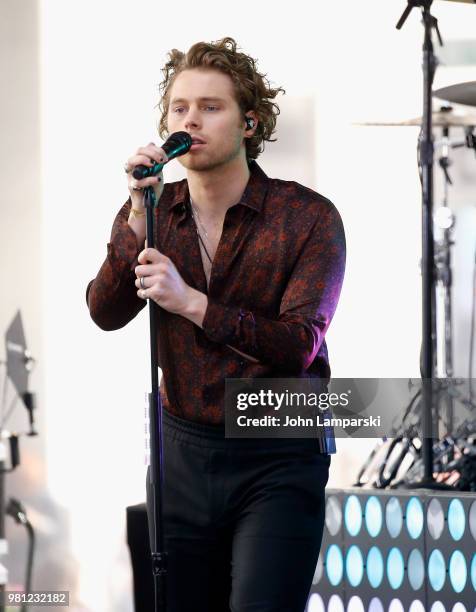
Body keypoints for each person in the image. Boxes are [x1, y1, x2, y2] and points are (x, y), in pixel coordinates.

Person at [86, 37, 346, 612]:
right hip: (183, 448)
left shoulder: (308, 217)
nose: (191, 120)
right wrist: (134, 214)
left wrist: (192, 302)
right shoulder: (154, 212)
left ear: (250, 122)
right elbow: (105, 311)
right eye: (179, 108)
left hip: (279, 449)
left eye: (210, 106)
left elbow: (299, 343)